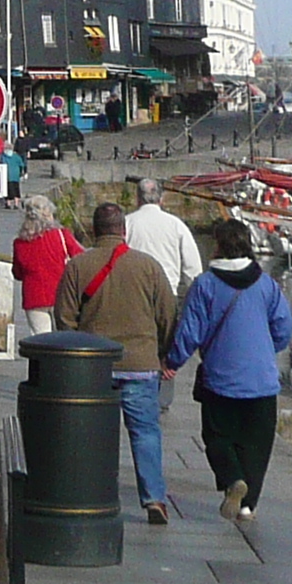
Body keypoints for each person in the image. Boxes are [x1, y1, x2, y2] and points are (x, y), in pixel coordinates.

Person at [161, 220, 292, 528]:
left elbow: (190, 331)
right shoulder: (266, 284)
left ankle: (233, 478)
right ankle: (248, 506)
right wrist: (262, 348)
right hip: (261, 380)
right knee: (257, 445)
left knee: (217, 436)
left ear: (218, 246)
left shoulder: (206, 284)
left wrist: (173, 362)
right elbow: (283, 328)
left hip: (220, 378)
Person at [54, 201, 178, 524]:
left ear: (95, 230)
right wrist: (161, 353)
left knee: (93, 433)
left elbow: (64, 318)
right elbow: (168, 315)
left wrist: (76, 353)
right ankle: (154, 498)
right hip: (140, 364)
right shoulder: (148, 266)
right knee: (145, 432)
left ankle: (90, 494)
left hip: (94, 365)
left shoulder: (78, 266)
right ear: (124, 230)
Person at [8, 205, 85, 356]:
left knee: (40, 341)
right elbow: (81, 257)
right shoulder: (62, 235)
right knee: (63, 342)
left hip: (34, 297)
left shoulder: (19, 243)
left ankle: (42, 374)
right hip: (61, 295)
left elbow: (17, 273)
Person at [123, 177, 204, 297]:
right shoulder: (176, 224)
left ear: (138, 198)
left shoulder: (126, 223)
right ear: (161, 199)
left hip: (135, 293)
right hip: (168, 291)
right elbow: (192, 266)